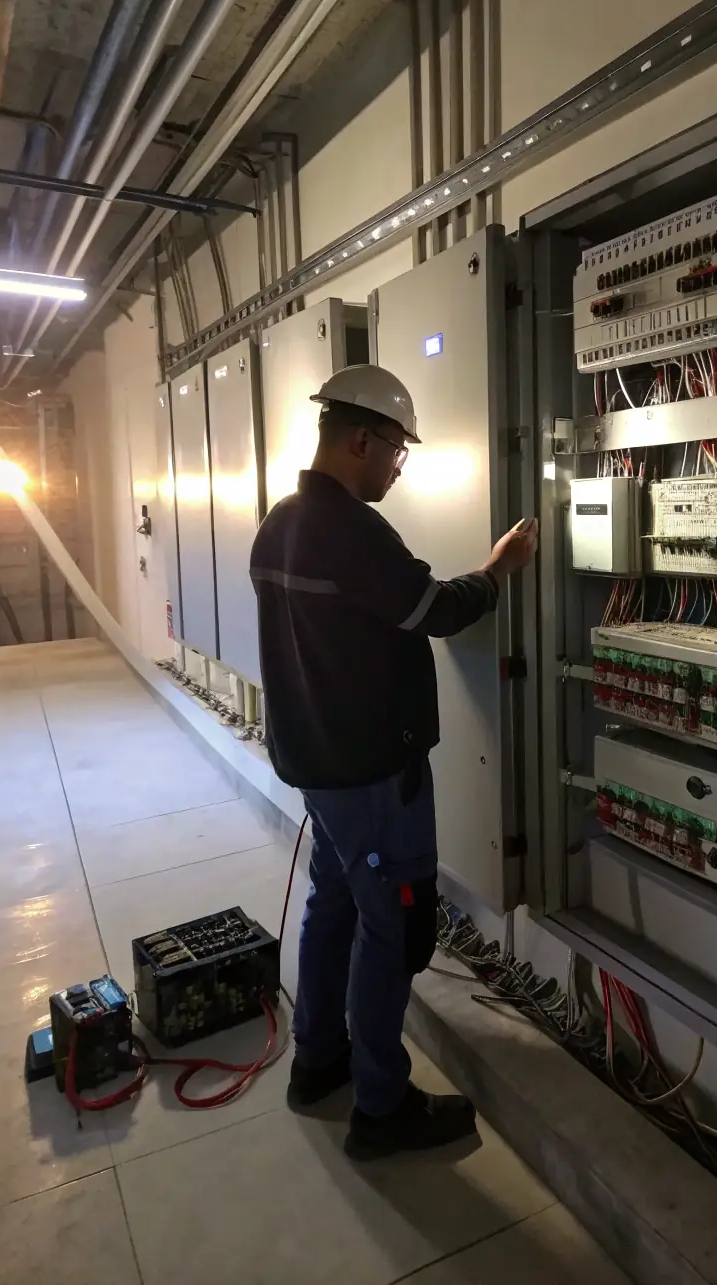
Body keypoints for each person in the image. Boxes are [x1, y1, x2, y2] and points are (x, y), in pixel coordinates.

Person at [250, 363, 538, 1161]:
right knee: (396, 928)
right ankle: (381, 1106)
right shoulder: (351, 531)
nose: (398, 467)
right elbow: (434, 609)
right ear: (361, 441)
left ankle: (319, 1060)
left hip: (317, 767)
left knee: (334, 904)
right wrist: (499, 569)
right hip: (373, 774)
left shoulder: (279, 524)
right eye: (396, 451)